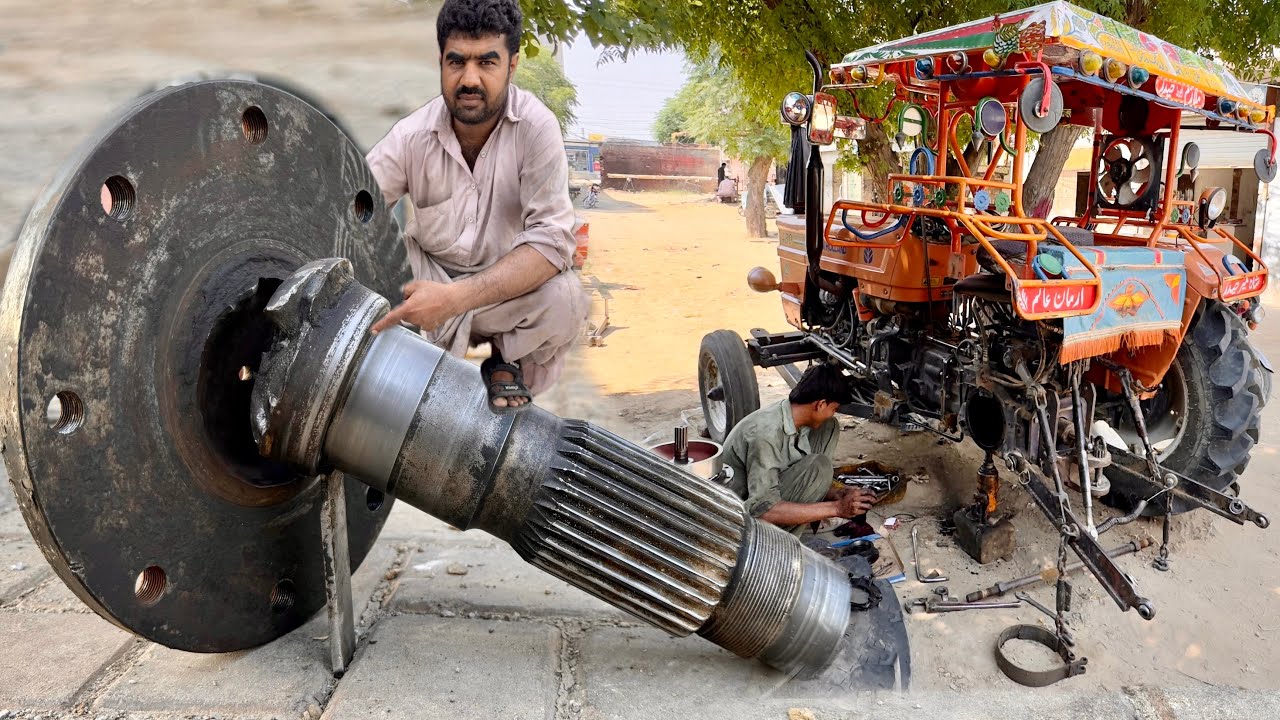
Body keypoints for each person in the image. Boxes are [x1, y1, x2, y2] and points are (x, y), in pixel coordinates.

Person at [366, 0, 588, 412]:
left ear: (512, 64)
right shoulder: (410, 135)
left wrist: (453, 300)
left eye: (487, 62)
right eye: (457, 62)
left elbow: (551, 242)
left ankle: (507, 360)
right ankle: (407, 377)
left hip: (504, 291)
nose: (469, 79)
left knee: (568, 300)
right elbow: (356, 207)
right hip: (424, 281)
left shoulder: (537, 128)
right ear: (440, 62)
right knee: (368, 265)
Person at [720, 364, 876, 536]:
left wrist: (833, 493)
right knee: (819, 467)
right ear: (821, 404)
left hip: (769, 491)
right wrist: (837, 508)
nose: (833, 413)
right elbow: (763, 510)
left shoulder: (793, 415)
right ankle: (784, 541)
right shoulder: (765, 434)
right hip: (739, 518)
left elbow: (786, 469)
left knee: (828, 427)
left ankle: (807, 511)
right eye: (834, 409)